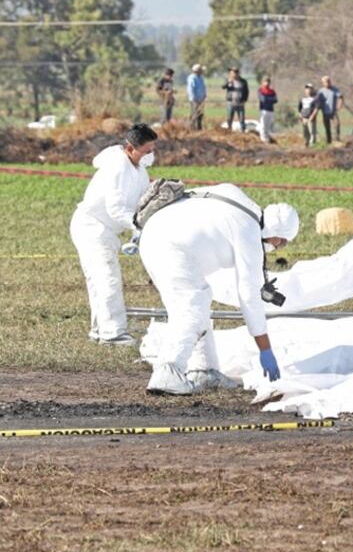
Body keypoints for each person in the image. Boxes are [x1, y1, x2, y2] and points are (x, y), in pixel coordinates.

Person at [138, 183, 300, 395]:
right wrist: (265, 349)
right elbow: (249, 296)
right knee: (192, 308)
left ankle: (205, 369)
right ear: (277, 235)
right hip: (173, 247)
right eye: (281, 243)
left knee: (196, 302)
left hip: (153, 236)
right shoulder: (249, 231)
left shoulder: (236, 198)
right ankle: (168, 372)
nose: (277, 247)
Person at [69, 123, 158, 346]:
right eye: (147, 150)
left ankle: (99, 330)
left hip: (106, 229)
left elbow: (140, 199)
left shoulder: (138, 168)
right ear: (130, 148)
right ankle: (113, 334)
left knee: (98, 280)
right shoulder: (117, 167)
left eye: (152, 150)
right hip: (92, 227)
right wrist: (137, 226)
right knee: (107, 277)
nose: (150, 155)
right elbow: (116, 209)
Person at [317, 75, 343, 143]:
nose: (327, 83)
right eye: (325, 82)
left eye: (328, 82)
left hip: (333, 111)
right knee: (327, 127)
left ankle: (337, 139)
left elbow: (340, 97)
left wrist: (339, 105)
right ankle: (329, 141)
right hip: (325, 112)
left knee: (337, 124)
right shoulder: (320, 91)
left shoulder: (335, 89)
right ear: (323, 83)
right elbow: (317, 101)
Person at [223, 67, 249, 132]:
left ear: (238, 73)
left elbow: (246, 91)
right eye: (232, 73)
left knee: (242, 119)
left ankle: (243, 131)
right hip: (231, 103)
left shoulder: (243, 81)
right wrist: (228, 82)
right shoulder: (228, 80)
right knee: (229, 118)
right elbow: (223, 87)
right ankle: (229, 130)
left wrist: (244, 100)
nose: (233, 74)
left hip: (240, 103)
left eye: (235, 73)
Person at [257, 76, 278, 144]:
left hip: (271, 110)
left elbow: (275, 100)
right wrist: (270, 99)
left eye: (268, 82)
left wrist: (268, 99)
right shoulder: (261, 90)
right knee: (263, 125)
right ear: (262, 82)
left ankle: (267, 138)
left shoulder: (272, 91)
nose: (267, 83)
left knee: (268, 126)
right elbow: (263, 99)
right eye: (265, 81)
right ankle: (263, 138)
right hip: (263, 110)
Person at [186, 64, 207, 130]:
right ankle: (192, 127)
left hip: (201, 99)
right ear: (197, 71)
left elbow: (203, 87)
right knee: (195, 114)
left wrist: (204, 96)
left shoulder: (201, 78)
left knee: (200, 114)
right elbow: (191, 89)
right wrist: (193, 98)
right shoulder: (192, 78)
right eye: (200, 70)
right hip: (195, 100)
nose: (202, 72)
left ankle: (199, 128)